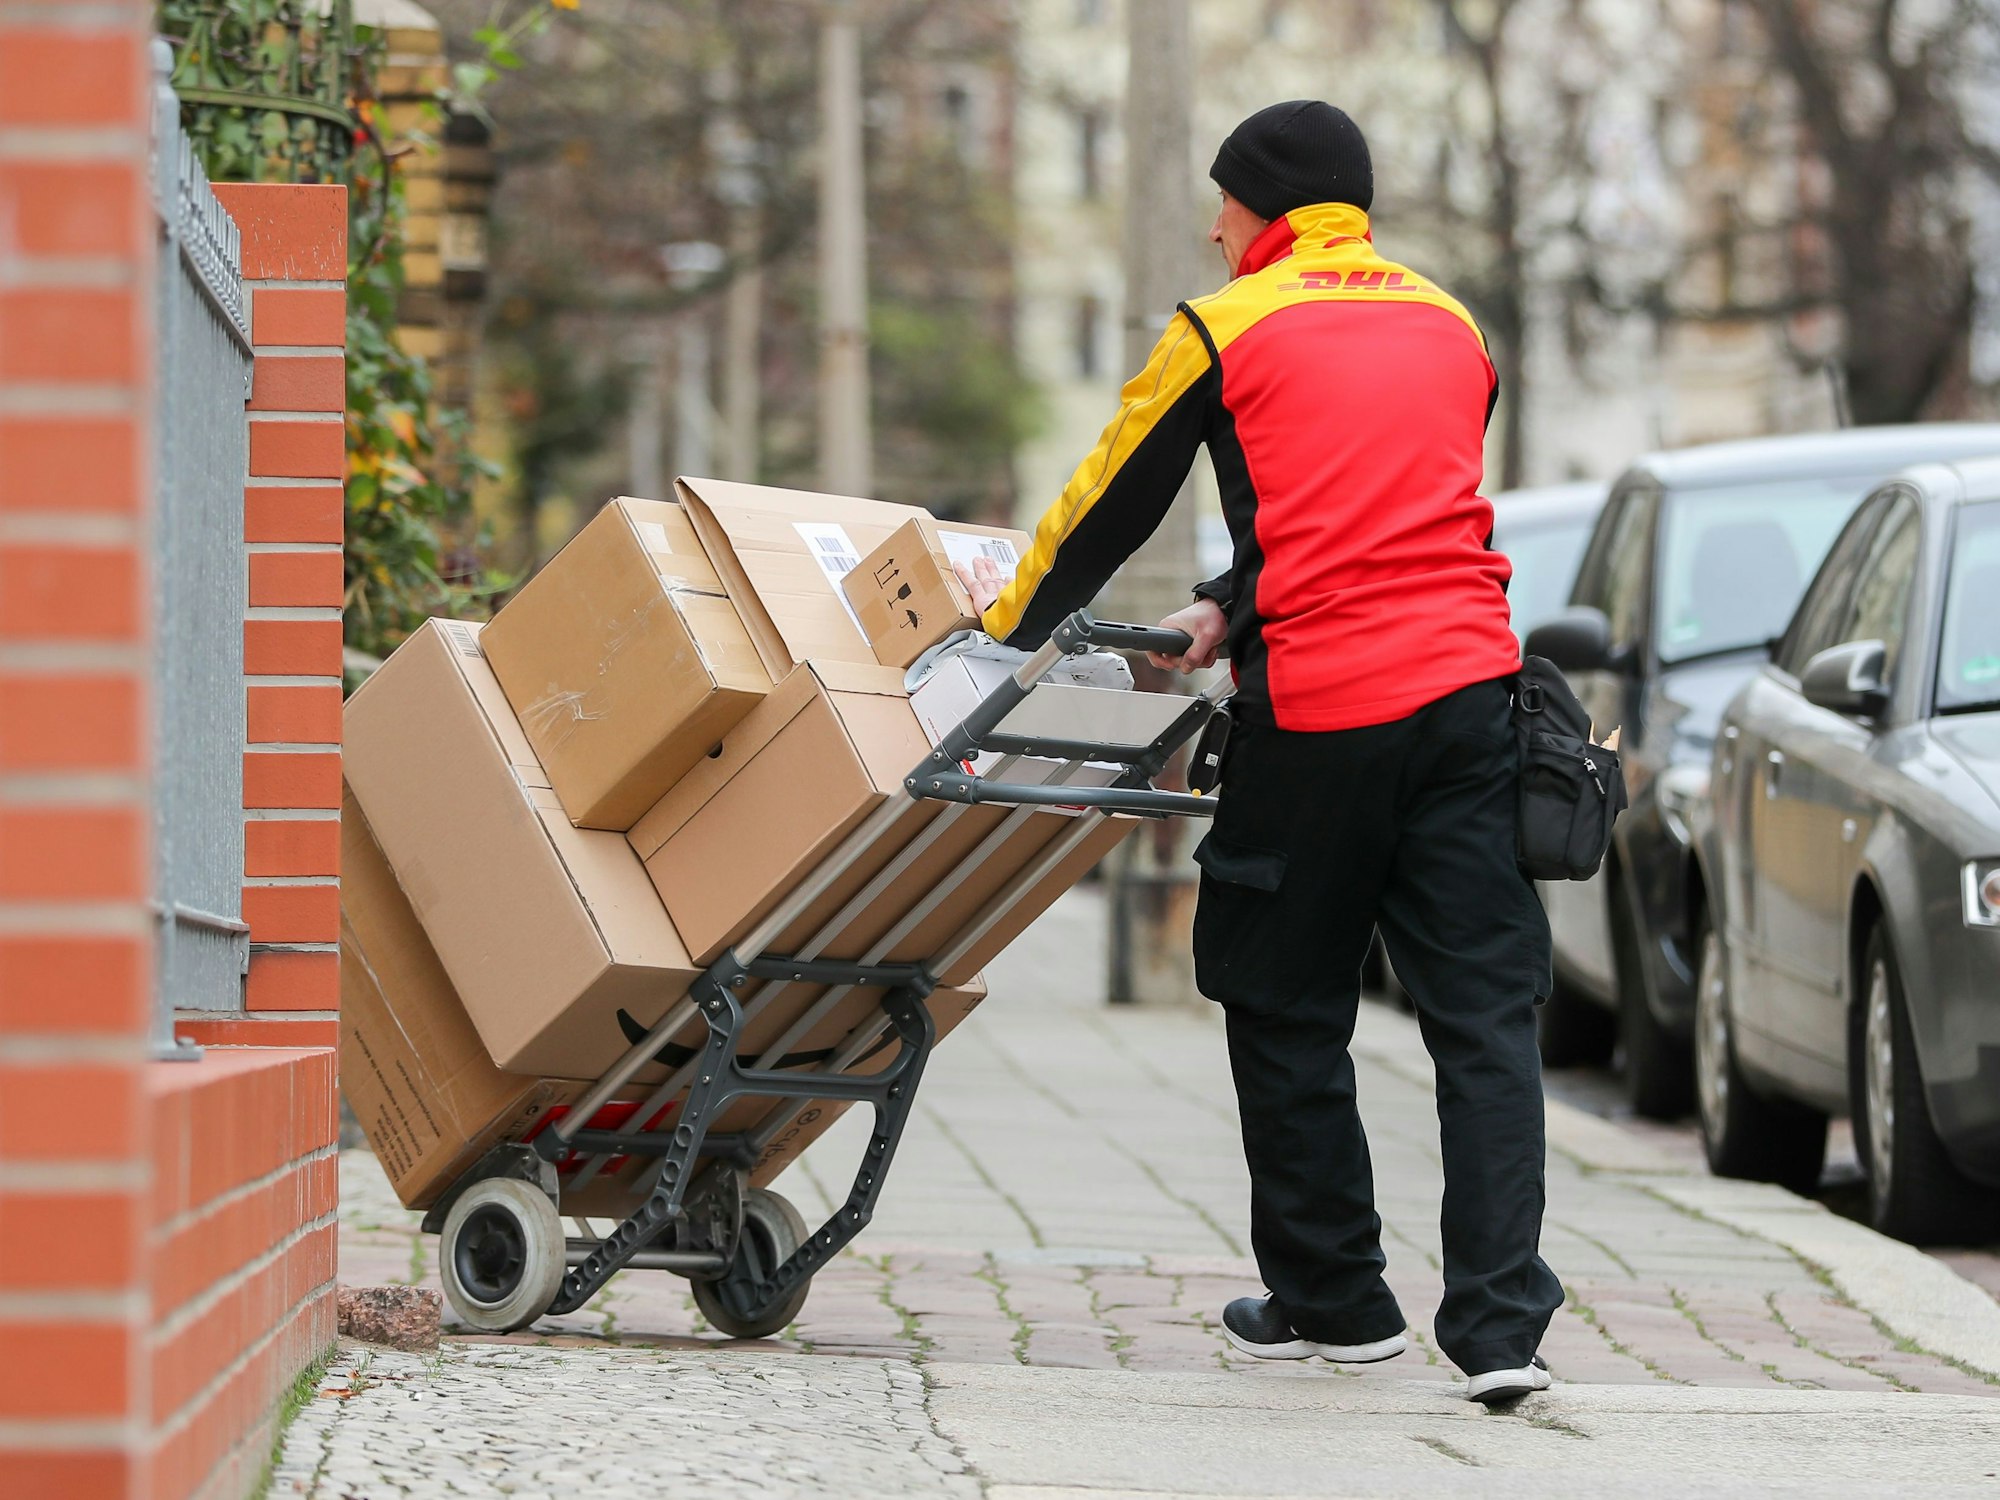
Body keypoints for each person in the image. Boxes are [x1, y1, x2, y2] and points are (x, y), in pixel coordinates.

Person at [956, 100, 1562, 1404]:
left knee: (1284, 1000)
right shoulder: (1455, 325)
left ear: (1263, 207)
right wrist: (1227, 606)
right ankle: (1504, 1331)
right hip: (1472, 703)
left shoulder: (1222, 327)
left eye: (1223, 202)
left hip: (1329, 711)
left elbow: (1099, 507)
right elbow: (1375, 508)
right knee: (1485, 1022)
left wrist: (994, 636)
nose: (1214, 225)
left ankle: (1338, 1301)